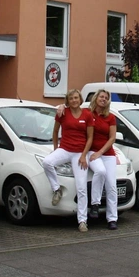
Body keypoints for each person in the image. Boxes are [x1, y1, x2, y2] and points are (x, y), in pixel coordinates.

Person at [43, 89, 94, 232]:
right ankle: (56, 189)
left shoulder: (87, 115)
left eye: (76, 98)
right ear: (68, 100)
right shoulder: (62, 113)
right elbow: (55, 131)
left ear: (80, 99)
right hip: (65, 149)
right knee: (47, 162)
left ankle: (82, 221)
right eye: (71, 98)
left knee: (82, 187)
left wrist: (84, 155)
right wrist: (55, 149)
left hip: (80, 153)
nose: (74, 100)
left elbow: (90, 137)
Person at [87, 89, 119, 230]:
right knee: (100, 171)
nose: (103, 99)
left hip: (107, 153)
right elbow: (71, 110)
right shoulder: (88, 113)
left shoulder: (110, 117)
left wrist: (100, 152)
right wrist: (63, 107)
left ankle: (112, 219)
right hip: (91, 152)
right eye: (101, 96)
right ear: (96, 98)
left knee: (112, 186)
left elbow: (112, 138)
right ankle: (95, 204)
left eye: (106, 97)